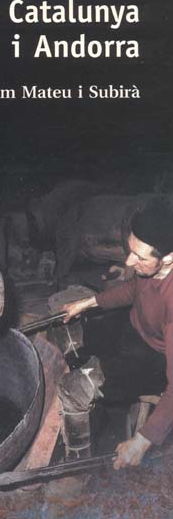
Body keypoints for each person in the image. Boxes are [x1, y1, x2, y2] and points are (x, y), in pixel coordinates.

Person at [62, 197, 173, 469]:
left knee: (75, 389)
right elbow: (133, 289)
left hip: (153, 362)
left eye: (139, 257)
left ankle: (75, 471)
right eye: (130, 250)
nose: (129, 261)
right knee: (71, 339)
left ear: (169, 257)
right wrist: (86, 303)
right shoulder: (150, 270)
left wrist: (143, 440)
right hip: (133, 329)